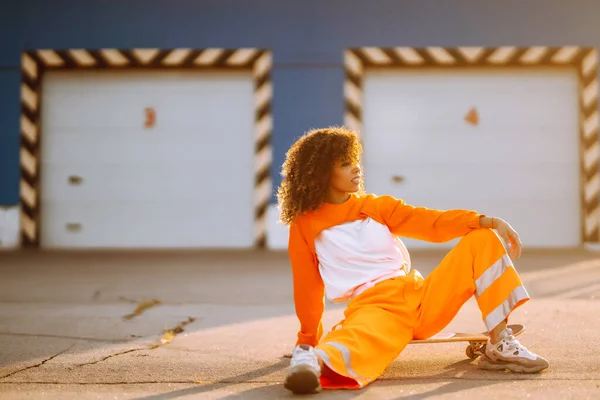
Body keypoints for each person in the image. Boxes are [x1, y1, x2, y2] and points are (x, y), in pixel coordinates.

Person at [276, 126, 549, 394]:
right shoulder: (305, 225)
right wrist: (307, 341)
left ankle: (499, 342)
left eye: (356, 162)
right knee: (353, 340)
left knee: (482, 238)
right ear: (323, 172)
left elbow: (430, 222)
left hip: (421, 299)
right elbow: (307, 286)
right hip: (377, 308)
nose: (357, 169)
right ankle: (309, 363)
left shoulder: (374, 206)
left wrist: (486, 220)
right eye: (346, 164)